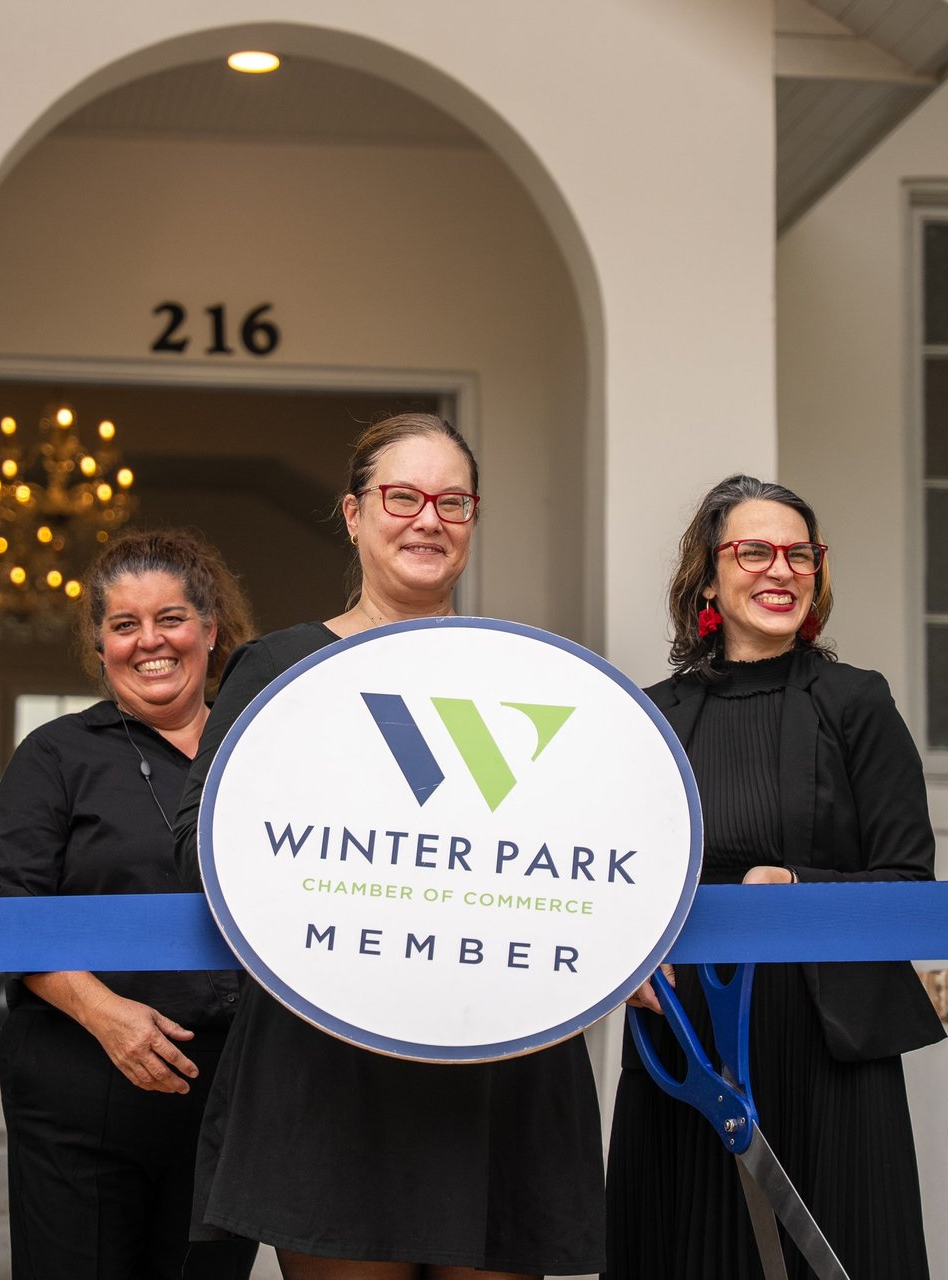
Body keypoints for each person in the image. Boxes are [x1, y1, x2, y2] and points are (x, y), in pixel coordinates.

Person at [171, 413, 605, 1280]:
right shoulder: (277, 671)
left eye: (452, 501)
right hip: (331, 1067)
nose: (427, 519)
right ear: (354, 513)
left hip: (498, 1063)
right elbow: (200, 850)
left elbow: (589, 853)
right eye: (401, 496)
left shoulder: (532, 680)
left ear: (473, 520)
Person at [605, 474, 946, 1280]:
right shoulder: (650, 716)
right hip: (686, 1047)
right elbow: (612, 890)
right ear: (709, 576)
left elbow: (909, 882)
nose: (781, 569)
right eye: (754, 551)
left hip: (826, 1048)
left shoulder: (858, 703)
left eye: (800, 553)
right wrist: (624, 965)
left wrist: (799, 885)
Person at [0, 529, 259, 1280]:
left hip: (230, 1093)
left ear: (210, 629)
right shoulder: (55, 755)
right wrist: (108, 1016)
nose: (149, 641)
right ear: (100, 647)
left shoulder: (264, 753)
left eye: (170, 617)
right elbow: (7, 914)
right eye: (123, 625)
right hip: (82, 1080)